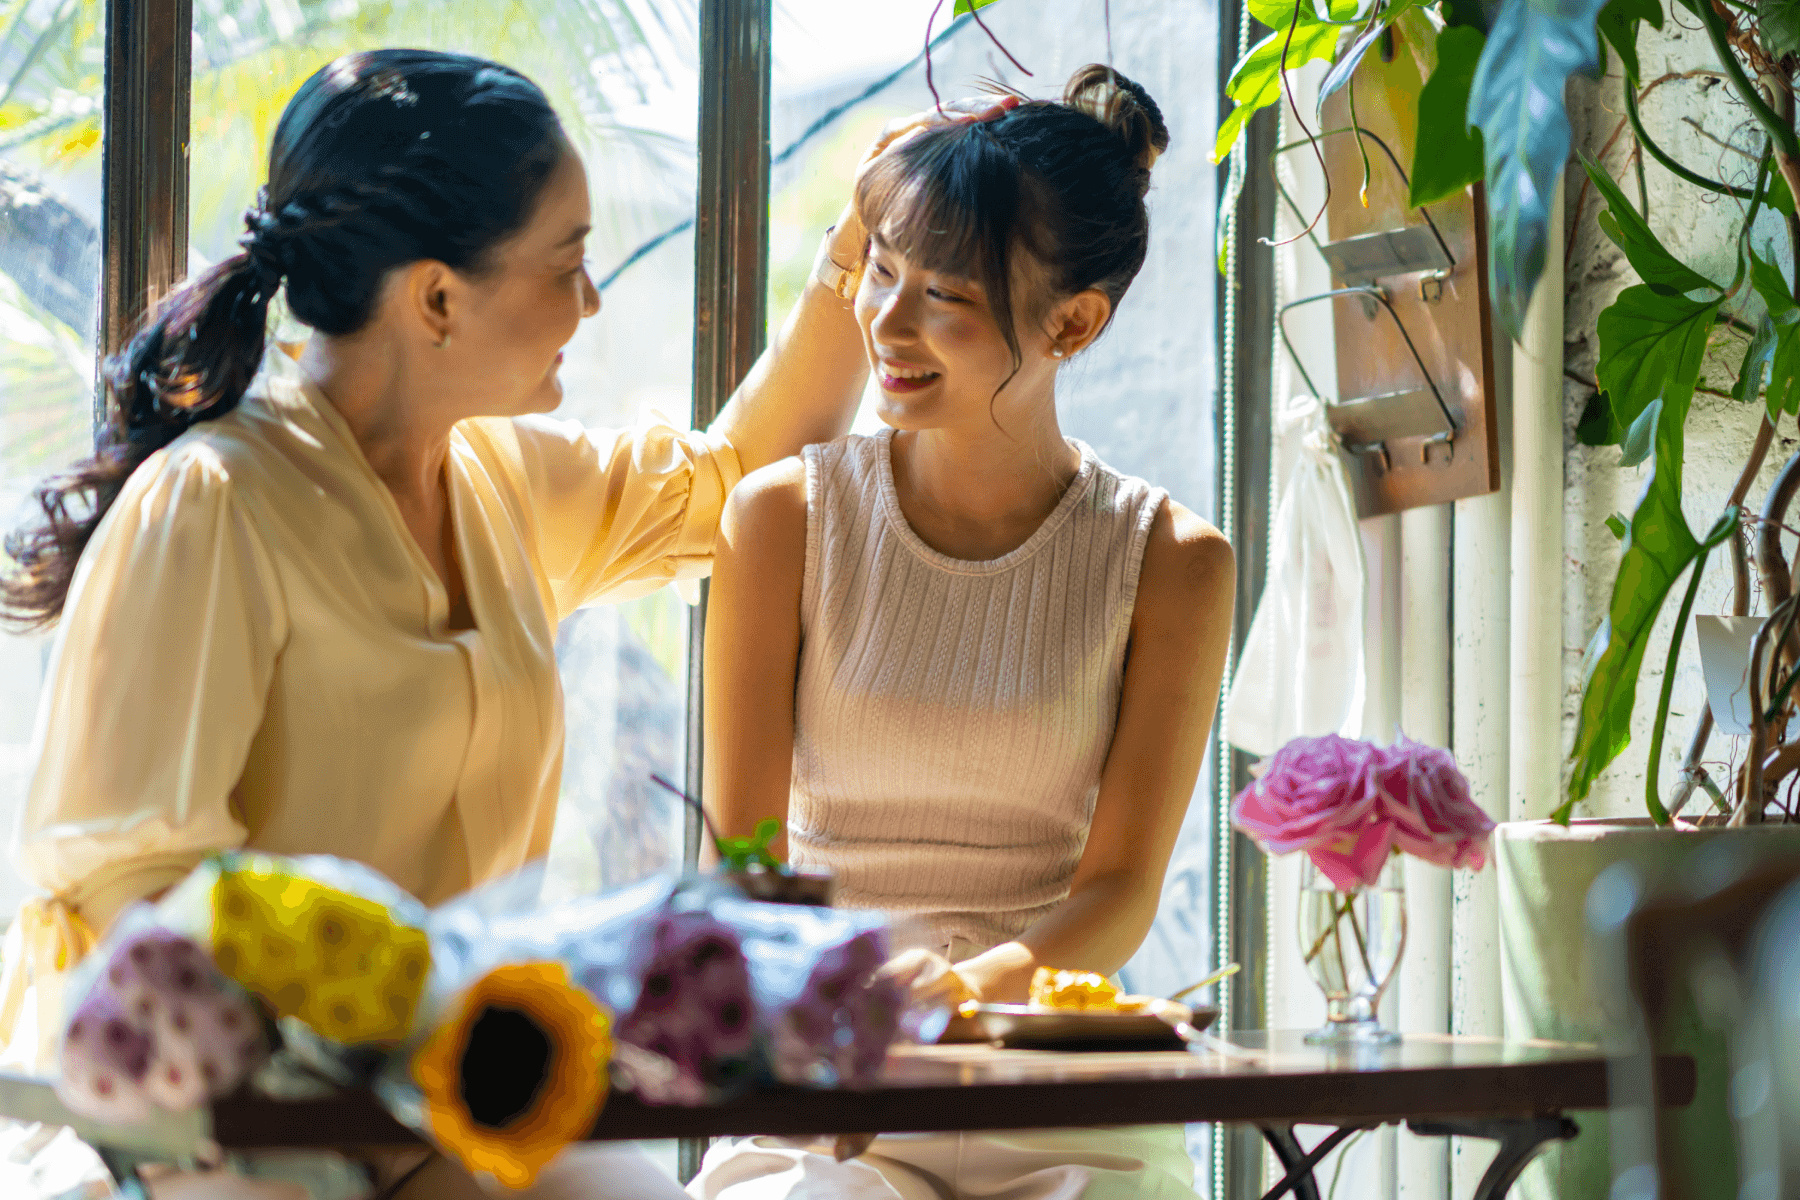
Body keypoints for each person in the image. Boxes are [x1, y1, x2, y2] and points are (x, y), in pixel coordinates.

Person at [0, 49, 1000, 1200]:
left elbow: (732, 482)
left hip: (441, 1100)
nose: (592, 299)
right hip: (212, 1120)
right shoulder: (214, 506)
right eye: (567, 261)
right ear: (435, 297)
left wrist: (854, 251)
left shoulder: (499, 480)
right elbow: (135, 895)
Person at [694, 65, 1236, 1200]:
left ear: (1075, 321)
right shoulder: (780, 519)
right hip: (832, 1079)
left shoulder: (1174, 563)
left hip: (1054, 1078)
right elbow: (741, 867)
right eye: (882, 272)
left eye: (944, 294)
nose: (886, 322)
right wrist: (834, 1023)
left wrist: (953, 995)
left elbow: (1121, 890)